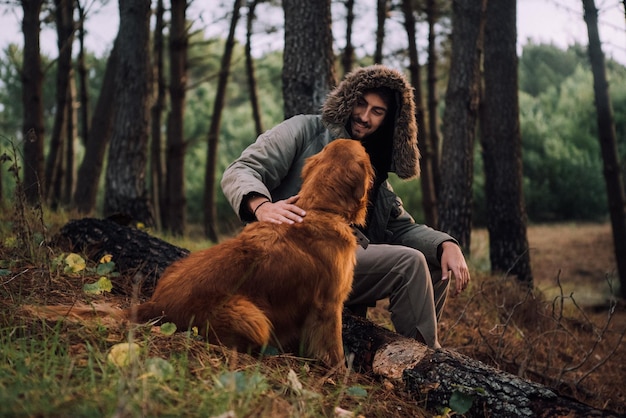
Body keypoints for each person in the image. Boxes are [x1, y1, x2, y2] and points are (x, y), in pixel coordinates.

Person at [221, 65, 470, 349]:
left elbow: (400, 227)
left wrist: (444, 244)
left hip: (338, 264)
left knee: (433, 262)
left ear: (389, 119)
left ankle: (411, 355)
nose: (364, 117)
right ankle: (426, 363)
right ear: (348, 98)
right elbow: (240, 170)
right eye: (361, 104)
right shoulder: (304, 129)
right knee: (409, 262)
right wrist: (262, 207)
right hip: (291, 259)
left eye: (377, 111)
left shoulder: (374, 169)